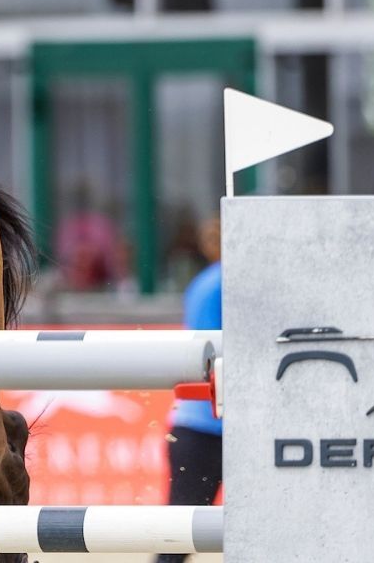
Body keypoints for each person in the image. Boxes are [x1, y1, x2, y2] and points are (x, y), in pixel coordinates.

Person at [156, 213, 222, 563]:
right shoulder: (229, 283)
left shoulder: (203, 282)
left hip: (193, 426)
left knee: (176, 541)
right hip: (215, 428)